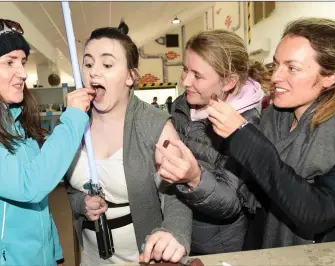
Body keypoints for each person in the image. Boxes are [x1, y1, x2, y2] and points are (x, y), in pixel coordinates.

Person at [207, 18, 335, 249]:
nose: (276, 76)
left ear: (331, 76)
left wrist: (245, 138)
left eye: (292, 68)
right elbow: (256, 209)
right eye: (276, 64)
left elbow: (318, 212)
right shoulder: (273, 118)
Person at [64, 21, 192, 265]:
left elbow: (177, 194)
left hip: (142, 257)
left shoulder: (155, 125)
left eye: (107, 64)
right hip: (91, 255)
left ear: (131, 77)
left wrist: (174, 234)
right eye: (88, 63)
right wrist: (82, 203)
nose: (93, 72)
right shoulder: (74, 121)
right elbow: (69, 187)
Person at [155, 29, 267, 255]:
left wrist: (194, 179)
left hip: (215, 249)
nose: (186, 81)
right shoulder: (182, 104)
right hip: (178, 233)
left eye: (197, 75)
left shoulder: (247, 127)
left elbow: (231, 205)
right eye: (185, 70)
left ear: (228, 82)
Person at [0, 19, 94, 265]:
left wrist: (54, 253)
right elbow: (29, 186)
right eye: (9, 62)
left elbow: (40, 203)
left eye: (22, 62)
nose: (22, 72)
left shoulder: (18, 125)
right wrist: (72, 118)